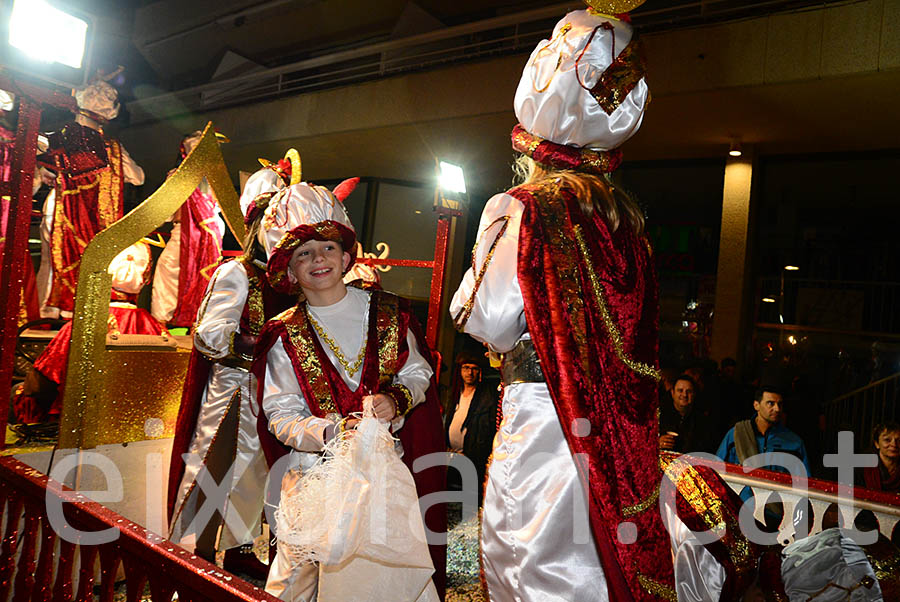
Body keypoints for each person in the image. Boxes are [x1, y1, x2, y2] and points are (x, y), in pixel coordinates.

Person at [449, 6, 675, 600]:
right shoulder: (628, 223)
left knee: (525, 562)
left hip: (543, 422)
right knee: (596, 560)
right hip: (615, 433)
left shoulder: (520, 206)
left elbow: (491, 321)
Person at [256, 218, 446, 601]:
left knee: (383, 574)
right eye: (303, 254)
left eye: (327, 249)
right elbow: (280, 412)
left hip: (383, 472)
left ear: (345, 259)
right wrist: (330, 432)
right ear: (291, 273)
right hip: (310, 478)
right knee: (294, 578)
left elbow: (417, 372)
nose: (317, 259)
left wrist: (396, 399)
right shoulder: (283, 333)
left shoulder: (389, 312)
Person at [167, 165, 293, 579]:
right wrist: (259, 345)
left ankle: (238, 550)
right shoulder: (236, 272)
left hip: (271, 396)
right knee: (212, 468)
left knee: (255, 476)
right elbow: (210, 337)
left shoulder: (290, 283)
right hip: (232, 389)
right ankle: (190, 556)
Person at [11, 242, 165, 424]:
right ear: (146, 275)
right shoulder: (155, 330)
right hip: (133, 422)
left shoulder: (83, 324)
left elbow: (41, 385)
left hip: (75, 424)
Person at [36, 79, 145, 319]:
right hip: (91, 214)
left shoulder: (60, 138)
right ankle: (59, 312)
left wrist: (46, 172)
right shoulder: (112, 147)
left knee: (52, 263)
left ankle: (48, 314)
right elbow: (137, 178)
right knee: (57, 261)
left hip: (70, 209)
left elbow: (138, 178)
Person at [150, 130, 227, 328]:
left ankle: (163, 323)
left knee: (167, 271)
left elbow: (164, 212)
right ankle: (192, 323)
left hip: (192, 232)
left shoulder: (189, 176)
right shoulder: (217, 178)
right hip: (208, 232)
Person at [715, 386, 811, 477]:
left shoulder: (794, 443)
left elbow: (804, 482)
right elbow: (716, 471)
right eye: (770, 403)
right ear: (756, 405)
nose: (777, 409)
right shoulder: (737, 434)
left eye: (780, 404)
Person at [444, 352, 498, 503]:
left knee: (467, 502)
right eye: (466, 368)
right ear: (460, 370)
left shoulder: (487, 397)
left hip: (472, 459)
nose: (469, 372)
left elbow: (488, 432)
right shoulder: (454, 394)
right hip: (450, 456)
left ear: (480, 372)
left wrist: (469, 453)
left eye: (474, 369)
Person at [658, 374, 713, 453]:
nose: (684, 395)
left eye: (689, 391)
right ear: (672, 393)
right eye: (680, 390)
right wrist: (657, 443)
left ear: (694, 394)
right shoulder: (659, 415)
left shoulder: (702, 421)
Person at [861, 422, 900, 494]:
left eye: (899, 441)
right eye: (887, 440)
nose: (894, 444)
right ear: (877, 444)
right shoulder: (861, 467)